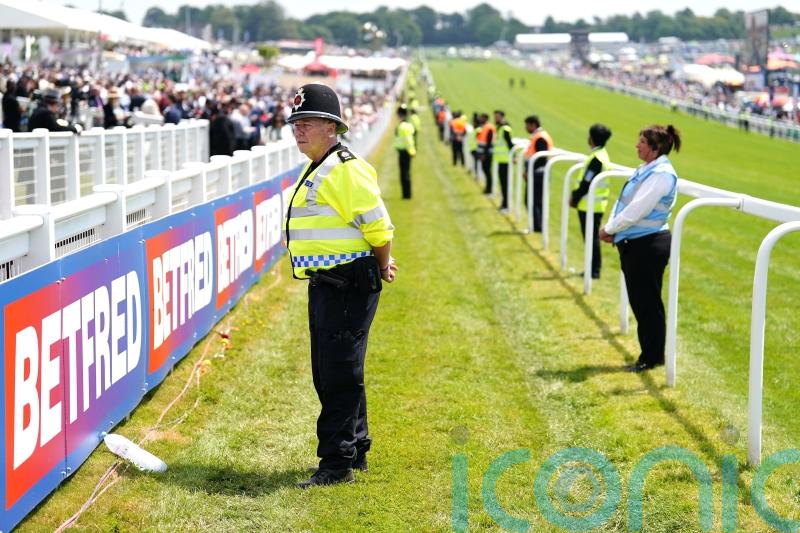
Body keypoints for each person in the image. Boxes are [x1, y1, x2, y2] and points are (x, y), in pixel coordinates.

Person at [284, 83, 397, 488]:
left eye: (307, 122)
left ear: (331, 127)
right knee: (336, 371)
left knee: (337, 375)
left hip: (346, 283)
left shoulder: (344, 169)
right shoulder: (322, 165)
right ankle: (356, 447)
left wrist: (382, 264)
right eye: (295, 123)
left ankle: (336, 464)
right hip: (328, 283)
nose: (298, 130)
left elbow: (379, 227)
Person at [599, 125, 681, 373]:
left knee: (647, 305)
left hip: (648, 245)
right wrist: (614, 229)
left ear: (655, 148)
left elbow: (637, 210)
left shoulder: (661, 175)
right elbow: (624, 203)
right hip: (636, 243)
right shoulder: (646, 169)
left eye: (642, 142)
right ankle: (650, 354)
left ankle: (651, 357)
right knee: (641, 303)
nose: (637, 145)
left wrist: (609, 229)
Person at [570, 124, 612, 279]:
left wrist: (574, 197)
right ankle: (592, 269)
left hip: (590, 205)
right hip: (593, 205)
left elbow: (586, 182)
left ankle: (594, 270)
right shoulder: (601, 154)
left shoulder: (597, 158)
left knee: (591, 238)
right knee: (591, 237)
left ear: (592, 138)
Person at [523, 115, 553, 232]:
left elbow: (541, 158)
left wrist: (528, 170)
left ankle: (537, 226)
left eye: (527, 125)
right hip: (538, 173)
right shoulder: (539, 136)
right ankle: (537, 226)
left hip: (538, 174)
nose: (525, 127)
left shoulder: (540, 137)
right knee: (535, 201)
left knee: (533, 200)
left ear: (533, 124)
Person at [394, 105, 416, 199]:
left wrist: (411, 151)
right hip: (405, 152)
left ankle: (406, 194)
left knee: (404, 174)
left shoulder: (402, 127)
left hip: (404, 152)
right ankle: (406, 194)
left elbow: (408, 140)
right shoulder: (407, 125)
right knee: (405, 173)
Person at [493, 110, 513, 211]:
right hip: (501, 160)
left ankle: (506, 205)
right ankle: (504, 203)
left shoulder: (505, 128)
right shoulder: (499, 127)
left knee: (505, 184)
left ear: (502, 117)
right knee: (503, 183)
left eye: (497, 116)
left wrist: (514, 156)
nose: (495, 118)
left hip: (506, 160)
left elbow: (510, 144)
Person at [476, 113, 495, 194]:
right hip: (484, 153)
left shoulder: (489, 127)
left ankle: (489, 189)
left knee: (487, 171)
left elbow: (489, 143)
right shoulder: (483, 127)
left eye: (482, 118)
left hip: (487, 154)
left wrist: (484, 154)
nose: (480, 119)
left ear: (485, 118)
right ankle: (488, 188)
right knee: (485, 170)